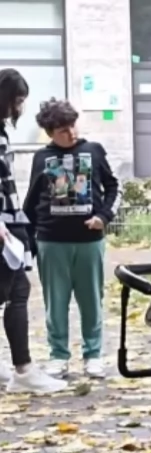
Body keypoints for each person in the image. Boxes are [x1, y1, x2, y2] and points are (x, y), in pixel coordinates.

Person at [23, 99, 121, 378]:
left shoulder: (93, 150)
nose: (71, 133)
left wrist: (103, 216)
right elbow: (32, 198)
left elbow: (114, 187)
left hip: (89, 240)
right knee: (56, 301)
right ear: (50, 132)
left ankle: (93, 354)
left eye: (72, 126)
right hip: (51, 240)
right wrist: (28, 240)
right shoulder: (41, 157)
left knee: (91, 298)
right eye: (63, 129)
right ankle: (58, 355)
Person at [0, 70, 66, 393]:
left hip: (10, 221)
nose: (20, 108)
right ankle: (23, 369)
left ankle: (22, 368)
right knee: (17, 291)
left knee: (13, 291)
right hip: (4, 224)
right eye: (18, 100)